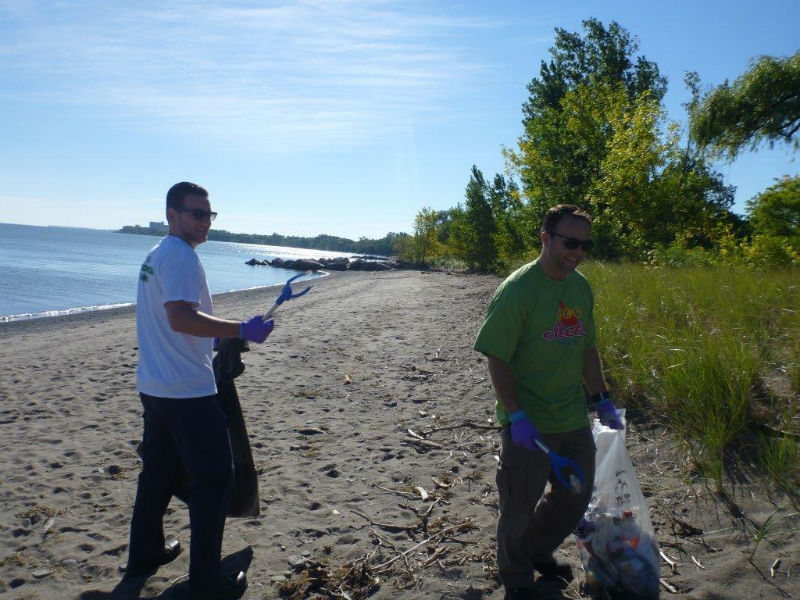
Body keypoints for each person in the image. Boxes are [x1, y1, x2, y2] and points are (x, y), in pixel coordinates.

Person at [121, 182, 274, 600]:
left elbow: (182, 322)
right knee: (214, 482)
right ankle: (205, 584)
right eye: (196, 214)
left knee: (157, 473)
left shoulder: (157, 255)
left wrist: (226, 337)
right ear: (173, 215)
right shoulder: (180, 257)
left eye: (209, 214)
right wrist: (242, 329)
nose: (205, 222)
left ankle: (144, 555)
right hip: (186, 391)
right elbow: (181, 319)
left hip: (155, 385)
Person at [473, 204, 624, 600]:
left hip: (571, 415)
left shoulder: (580, 287)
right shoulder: (519, 289)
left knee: (574, 496)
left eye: (585, 244)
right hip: (528, 421)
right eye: (570, 241)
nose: (578, 251)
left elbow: (587, 347)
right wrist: (517, 416)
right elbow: (497, 356)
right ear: (546, 238)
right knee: (518, 507)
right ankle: (517, 577)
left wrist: (602, 398)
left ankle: (537, 550)